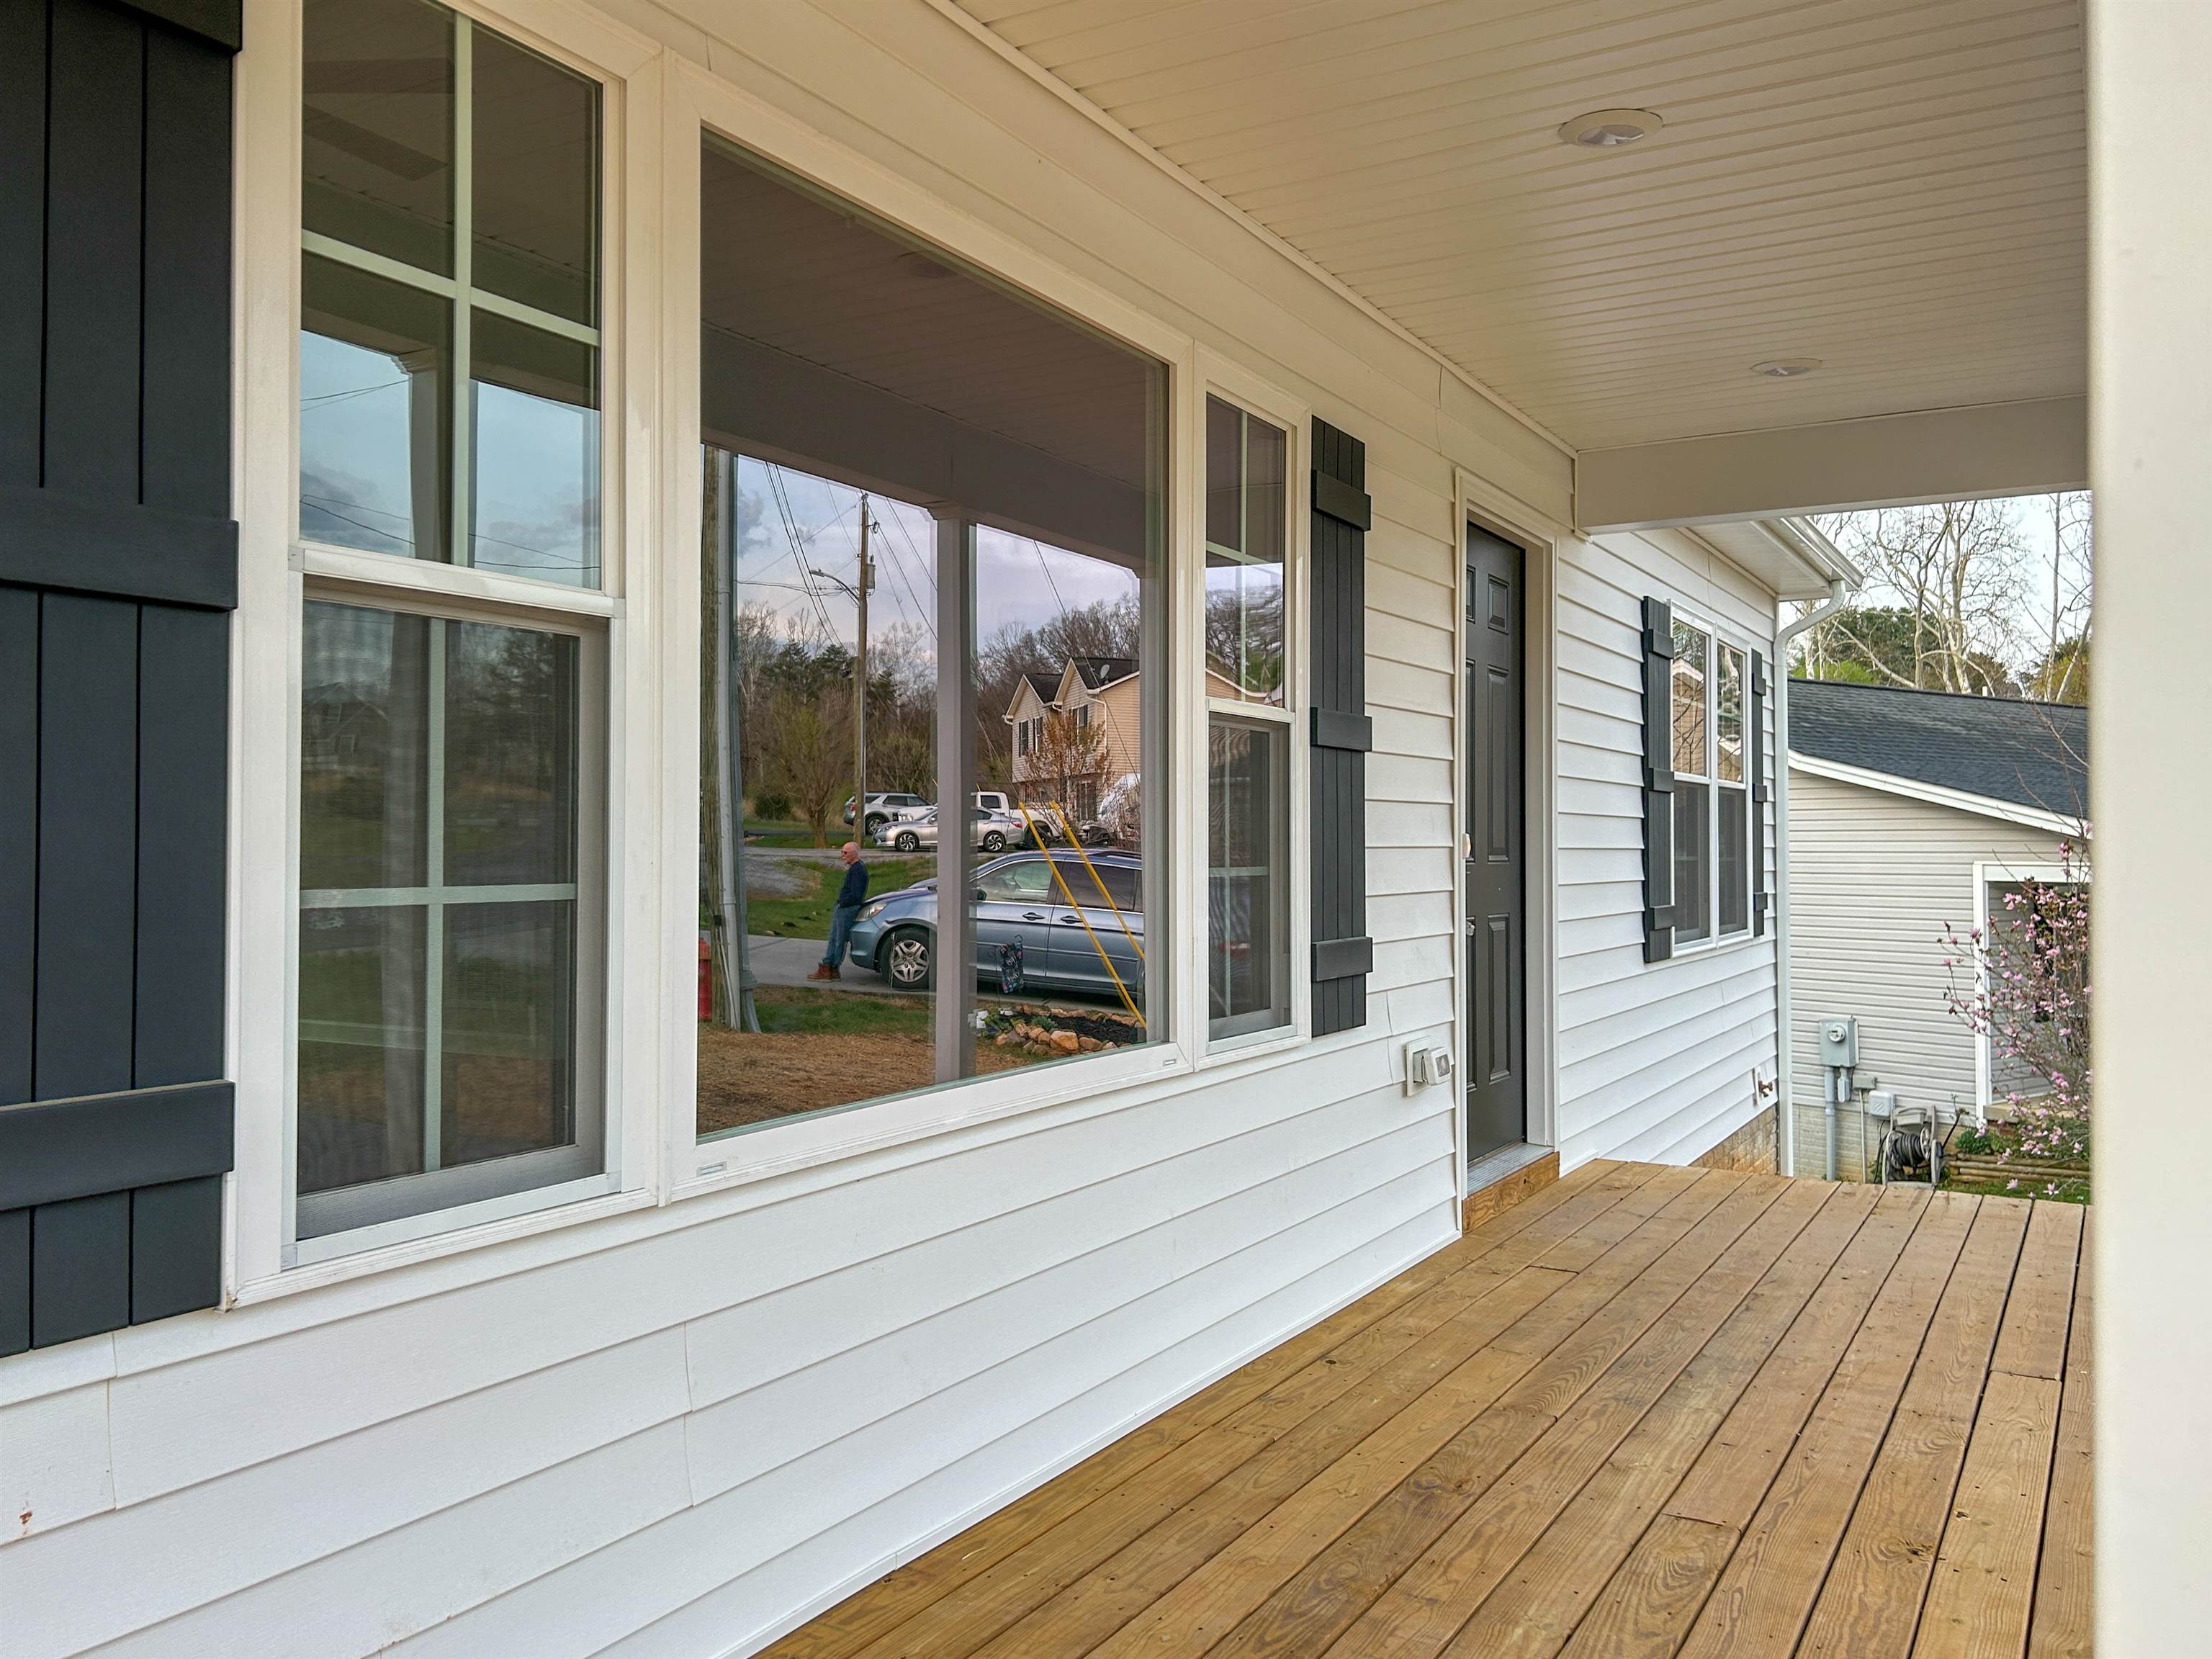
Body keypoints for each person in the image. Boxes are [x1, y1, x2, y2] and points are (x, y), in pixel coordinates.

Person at [810, 842, 868, 981]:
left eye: (845, 853)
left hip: (847, 909)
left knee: (838, 939)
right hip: (844, 908)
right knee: (834, 938)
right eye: (842, 852)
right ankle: (828, 965)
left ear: (854, 854)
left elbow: (855, 894)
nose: (842, 855)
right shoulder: (855, 869)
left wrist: (843, 903)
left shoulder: (858, 870)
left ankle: (831, 968)